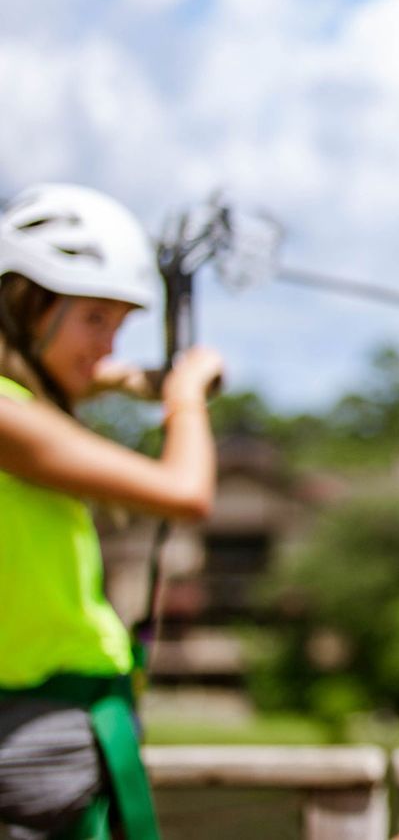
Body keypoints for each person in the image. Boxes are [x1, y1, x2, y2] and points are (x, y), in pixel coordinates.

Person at [0, 183, 224, 840]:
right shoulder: (11, 416)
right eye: (93, 318)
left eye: (119, 325)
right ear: (25, 303)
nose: (107, 344)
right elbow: (187, 491)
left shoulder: (24, 403)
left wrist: (118, 372)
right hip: (42, 726)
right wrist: (184, 397)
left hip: (56, 719)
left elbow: (66, 373)